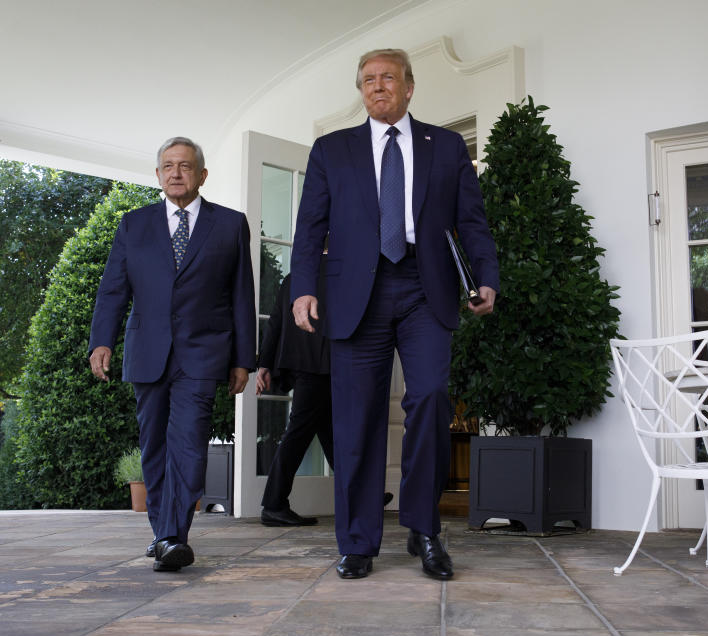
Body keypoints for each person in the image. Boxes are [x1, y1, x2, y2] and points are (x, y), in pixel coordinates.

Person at [290, 48, 499, 580]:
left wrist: (486, 278)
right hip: (356, 291)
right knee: (356, 416)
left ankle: (424, 529)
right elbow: (310, 227)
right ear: (361, 91)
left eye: (387, 78)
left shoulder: (447, 146)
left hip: (423, 286)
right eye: (367, 80)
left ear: (409, 87)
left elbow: (471, 220)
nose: (377, 86)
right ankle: (358, 541)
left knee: (430, 397)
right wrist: (303, 289)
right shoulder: (331, 150)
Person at [88, 137, 256, 572]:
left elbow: (242, 295)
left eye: (185, 166)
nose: (176, 173)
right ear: (158, 175)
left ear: (202, 175)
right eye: (167, 166)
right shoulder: (133, 225)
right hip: (147, 351)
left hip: (204, 352)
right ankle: (162, 531)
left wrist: (244, 358)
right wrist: (101, 341)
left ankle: (172, 536)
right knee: (154, 446)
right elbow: (113, 290)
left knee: (189, 443)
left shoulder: (230, 224)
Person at [255, 263, 333, 527]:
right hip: (320, 366)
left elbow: (276, 321)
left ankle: (362, 494)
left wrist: (264, 364)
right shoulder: (339, 273)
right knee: (299, 431)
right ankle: (274, 504)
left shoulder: (294, 277)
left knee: (329, 431)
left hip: (302, 364)